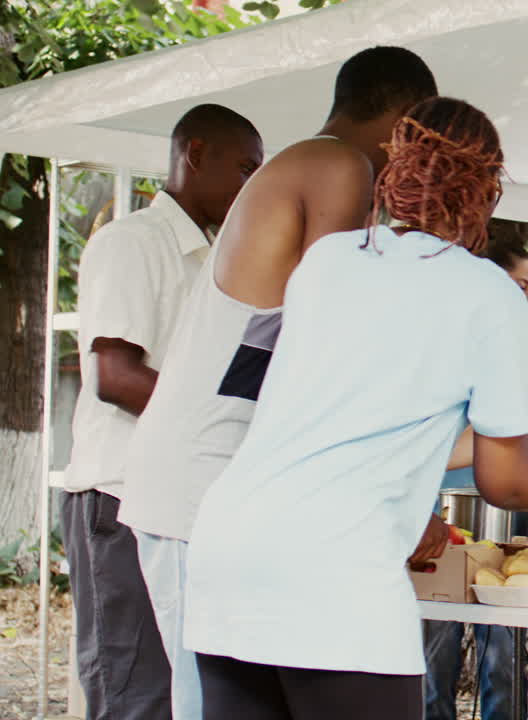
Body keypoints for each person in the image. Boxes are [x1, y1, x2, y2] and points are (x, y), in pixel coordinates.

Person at [182, 96, 528, 720]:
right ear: (487, 190)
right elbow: (505, 481)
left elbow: (344, 417)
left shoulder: (325, 261)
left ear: (394, 169)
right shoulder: (488, 293)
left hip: (227, 554)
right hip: (335, 568)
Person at [119, 46, 437, 720]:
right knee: (206, 705)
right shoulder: (336, 164)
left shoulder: (310, 167)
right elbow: (340, 335)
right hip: (197, 482)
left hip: (225, 482)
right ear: (402, 123)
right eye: (421, 140)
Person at [59, 103, 262, 720]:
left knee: (185, 695)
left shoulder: (223, 261)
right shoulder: (132, 242)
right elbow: (113, 376)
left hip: (184, 504)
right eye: (244, 170)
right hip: (120, 499)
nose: (253, 189)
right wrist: (215, 425)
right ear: (194, 155)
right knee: (134, 693)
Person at [422, 234, 528, 720]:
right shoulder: (441, 348)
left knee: (503, 641)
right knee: (435, 641)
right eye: (518, 286)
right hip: (445, 514)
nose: (527, 300)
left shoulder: (524, 360)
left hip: (507, 515)